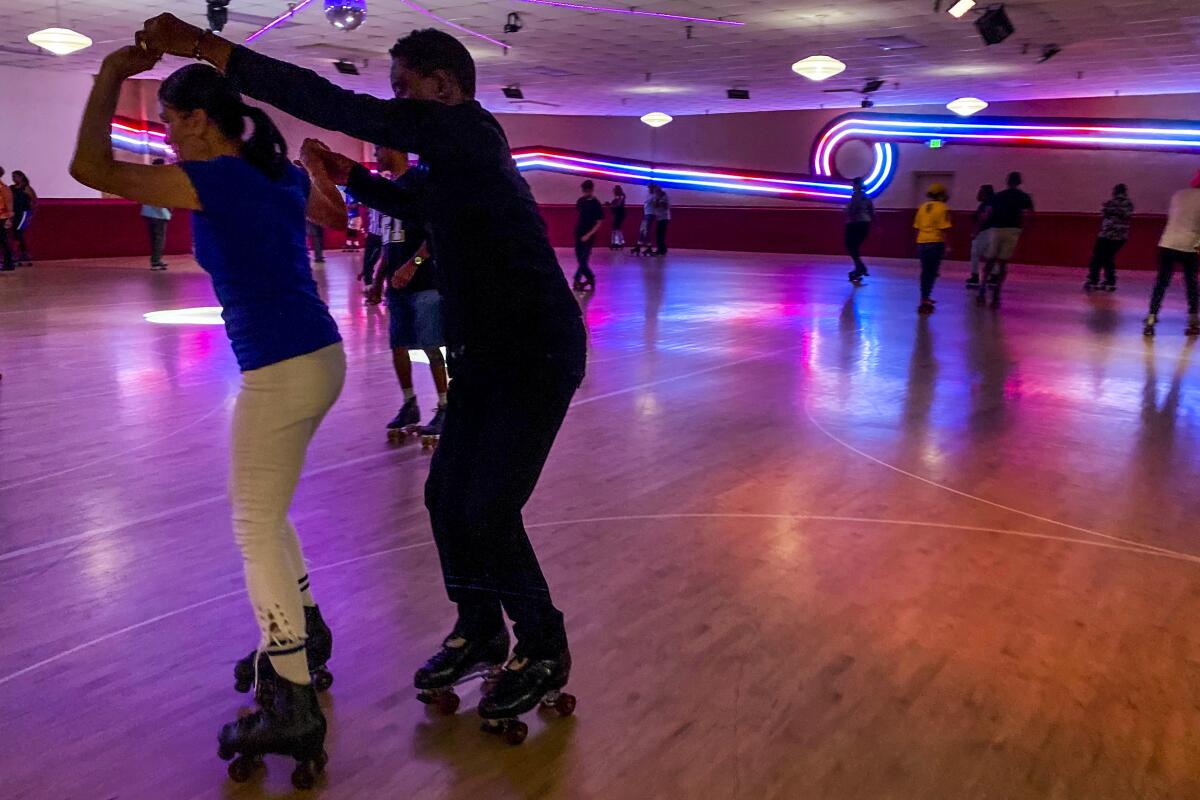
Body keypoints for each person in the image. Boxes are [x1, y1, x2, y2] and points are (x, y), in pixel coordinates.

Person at [138, 17, 587, 726]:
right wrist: (353, 180)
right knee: (446, 498)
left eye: (406, 90)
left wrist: (213, 49)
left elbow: (339, 106)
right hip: (489, 353)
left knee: (489, 508)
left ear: (444, 86)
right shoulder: (455, 163)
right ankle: (479, 630)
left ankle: (543, 648)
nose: (397, 104)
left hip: (537, 351)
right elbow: (419, 205)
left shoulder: (469, 130)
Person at [70, 48, 348, 784]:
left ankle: (290, 697)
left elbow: (89, 170)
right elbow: (334, 215)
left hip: (283, 366)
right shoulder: (270, 171)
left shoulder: (219, 179)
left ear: (198, 120)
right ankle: (305, 636)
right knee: (269, 509)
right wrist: (317, 164)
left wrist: (108, 77)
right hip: (319, 355)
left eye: (169, 124)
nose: (166, 139)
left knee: (253, 524)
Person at [365, 145, 449, 437]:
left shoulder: (419, 185)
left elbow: (435, 234)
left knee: (430, 345)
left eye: (378, 149)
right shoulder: (389, 191)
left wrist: (412, 265)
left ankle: (444, 405)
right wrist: (377, 280)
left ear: (393, 149)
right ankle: (410, 403)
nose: (376, 155)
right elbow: (390, 243)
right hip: (396, 287)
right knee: (398, 345)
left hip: (425, 282)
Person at [1142, 171, 1200, 337]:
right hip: (1188, 246)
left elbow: (1174, 218)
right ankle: (1193, 321)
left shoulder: (1178, 194)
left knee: (1161, 283)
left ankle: (1151, 318)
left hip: (1167, 243)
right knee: (1191, 285)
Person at [979, 171, 1034, 308]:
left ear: (1007, 181)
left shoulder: (998, 196)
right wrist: (1024, 229)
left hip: (996, 229)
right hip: (1012, 230)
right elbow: (1031, 213)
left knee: (990, 260)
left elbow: (987, 213)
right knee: (1003, 263)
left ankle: (982, 289)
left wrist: (980, 226)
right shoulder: (1024, 197)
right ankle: (996, 295)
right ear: (1019, 182)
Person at [1085, 183, 1134, 292]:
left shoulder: (1110, 203)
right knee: (1108, 258)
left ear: (1115, 192)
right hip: (1121, 237)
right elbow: (1127, 216)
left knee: (1097, 257)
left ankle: (1093, 280)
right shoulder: (1129, 204)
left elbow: (1103, 214)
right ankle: (1110, 281)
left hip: (1106, 235)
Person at [913, 182, 952, 315]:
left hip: (922, 242)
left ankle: (925, 297)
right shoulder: (943, 208)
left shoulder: (922, 207)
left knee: (925, 271)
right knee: (932, 272)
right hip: (936, 242)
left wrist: (918, 242)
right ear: (941, 195)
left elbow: (917, 227)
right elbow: (944, 229)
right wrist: (947, 246)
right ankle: (925, 299)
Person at [140, 158, 172, 270]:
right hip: (160, 213)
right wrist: (170, 210)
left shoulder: (148, 179)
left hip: (148, 212)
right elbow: (166, 197)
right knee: (159, 238)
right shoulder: (163, 180)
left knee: (154, 238)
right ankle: (156, 262)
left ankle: (156, 260)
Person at [573, 179, 603, 291]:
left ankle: (577, 279)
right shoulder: (580, 201)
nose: (585, 192)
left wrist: (589, 235)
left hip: (588, 236)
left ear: (591, 190)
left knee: (583, 258)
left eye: (587, 190)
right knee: (580, 259)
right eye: (584, 190)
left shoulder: (596, 204)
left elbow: (599, 222)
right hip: (578, 232)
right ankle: (590, 277)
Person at [844, 176, 874, 283]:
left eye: (853, 184)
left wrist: (846, 213)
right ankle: (858, 269)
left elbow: (852, 210)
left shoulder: (855, 196)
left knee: (850, 246)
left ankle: (861, 267)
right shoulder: (867, 197)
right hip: (865, 224)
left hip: (855, 224)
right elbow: (872, 211)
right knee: (854, 247)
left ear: (856, 185)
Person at [964, 184, 994, 288]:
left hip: (984, 232)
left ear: (985, 194)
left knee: (975, 253)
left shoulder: (986, 205)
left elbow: (983, 218)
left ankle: (975, 276)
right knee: (989, 255)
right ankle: (994, 277)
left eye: (980, 192)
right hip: (992, 232)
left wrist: (975, 232)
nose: (978, 194)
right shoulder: (992, 204)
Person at [10, 171, 37, 266]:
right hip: (15, 214)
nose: (14, 178)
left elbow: (34, 201)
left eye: (16, 176)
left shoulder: (27, 188)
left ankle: (16, 254)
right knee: (16, 233)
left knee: (19, 232)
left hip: (25, 214)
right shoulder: (11, 188)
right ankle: (24, 254)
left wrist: (31, 214)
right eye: (13, 177)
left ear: (21, 177)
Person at [631, 182, 657, 256]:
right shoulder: (649, 195)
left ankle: (641, 247)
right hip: (647, 214)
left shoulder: (654, 196)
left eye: (649, 188)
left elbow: (655, 205)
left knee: (645, 231)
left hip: (650, 214)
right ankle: (642, 247)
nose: (648, 189)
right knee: (643, 230)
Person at [0, 167, 15, 272]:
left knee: (3, 240)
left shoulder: (4, 188)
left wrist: (9, 219)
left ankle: (8, 262)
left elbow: (9, 204)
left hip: (2, 217)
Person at [652, 183, 671, 256]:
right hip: (659, 217)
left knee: (661, 234)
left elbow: (665, 206)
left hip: (664, 217)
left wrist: (659, 201)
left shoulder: (664, 196)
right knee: (658, 234)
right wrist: (657, 201)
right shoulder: (656, 196)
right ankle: (661, 249)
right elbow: (655, 205)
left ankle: (661, 249)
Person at [607, 184, 626, 249]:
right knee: (616, 228)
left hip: (619, 214)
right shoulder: (620, 196)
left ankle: (617, 243)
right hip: (619, 214)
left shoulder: (620, 196)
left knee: (615, 228)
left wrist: (610, 205)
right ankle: (619, 242)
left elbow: (618, 205)